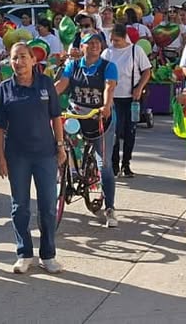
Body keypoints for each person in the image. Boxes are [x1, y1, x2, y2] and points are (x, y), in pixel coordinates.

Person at [0, 40, 65, 275]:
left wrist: (60, 146)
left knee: (48, 207)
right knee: (20, 207)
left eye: (23, 56)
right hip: (17, 156)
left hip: (45, 154)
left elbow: (56, 116)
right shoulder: (5, 89)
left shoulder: (45, 84)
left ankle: (48, 254)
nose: (19, 61)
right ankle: (24, 253)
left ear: (33, 60)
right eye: (14, 57)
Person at [54, 32, 119, 228]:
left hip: (100, 119)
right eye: (89, 43)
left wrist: (106, 106)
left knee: (104, 164)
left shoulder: (108, 67)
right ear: (81, 47)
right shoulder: (73, 66)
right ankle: (70, 172)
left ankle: (110, 207)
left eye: (97, 42)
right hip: (76, 116)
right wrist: (44, 96)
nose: (94, 46)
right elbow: (62, 84)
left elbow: (109, 87)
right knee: (62, 144)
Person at [101, 24, 151, 178]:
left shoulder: (136, 51)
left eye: (117, 40)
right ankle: (114, 164)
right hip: (113, 98)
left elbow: (147, 71)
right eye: (112, 40)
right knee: (114, 132)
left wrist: (139, 87)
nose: (114, 43)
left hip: (131, 98)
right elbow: (101, 73)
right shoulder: (107, 53)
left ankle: (126, 163)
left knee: (130, 131)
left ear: (124, 38)